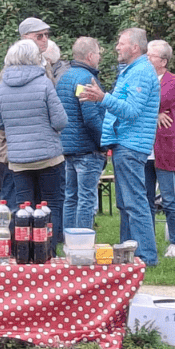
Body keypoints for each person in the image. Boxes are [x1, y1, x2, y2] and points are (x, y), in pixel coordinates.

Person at [79, 27, 160, 266]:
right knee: (126, 203)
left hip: (131, 144)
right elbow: (122, 107)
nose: (116, 47)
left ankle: (145, 257)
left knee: (135, 202)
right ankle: (129, 254)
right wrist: (101, 100)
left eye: (121, 43)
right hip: (125, 142)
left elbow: (132, 111)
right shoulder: (131, 71)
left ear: (135, 47)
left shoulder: (141, 73)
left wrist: (102, 98)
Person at [0, 39, 67, 253]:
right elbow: (60, 120)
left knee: (24, 207)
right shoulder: (44, 83)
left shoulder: (2, 88)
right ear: (35, 58)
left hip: (18, 160)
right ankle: (48, 251)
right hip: (48, 157)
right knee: (50, 205)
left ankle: (26, 253)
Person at [56, 36, 106, 230]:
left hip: (67, 146)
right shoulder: (86, 79)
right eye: (99, 54)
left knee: (70, 197)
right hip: (87, 147)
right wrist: (104, 142)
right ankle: (83, 243)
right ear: (90, 55)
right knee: (86, 198)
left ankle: (69, 240)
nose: (100, 58)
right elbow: (91, 117)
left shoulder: (63, 77)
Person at [144, 39, 175, 258]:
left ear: (163, 61)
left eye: (152, 56)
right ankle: (147, 239)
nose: (147, 59)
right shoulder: (144, 77)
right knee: (146, 197)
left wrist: (151, 110)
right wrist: (154, 114)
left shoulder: (172, 81)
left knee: (168, 197)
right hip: (145, 146)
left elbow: (158, 100)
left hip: (165, 145)